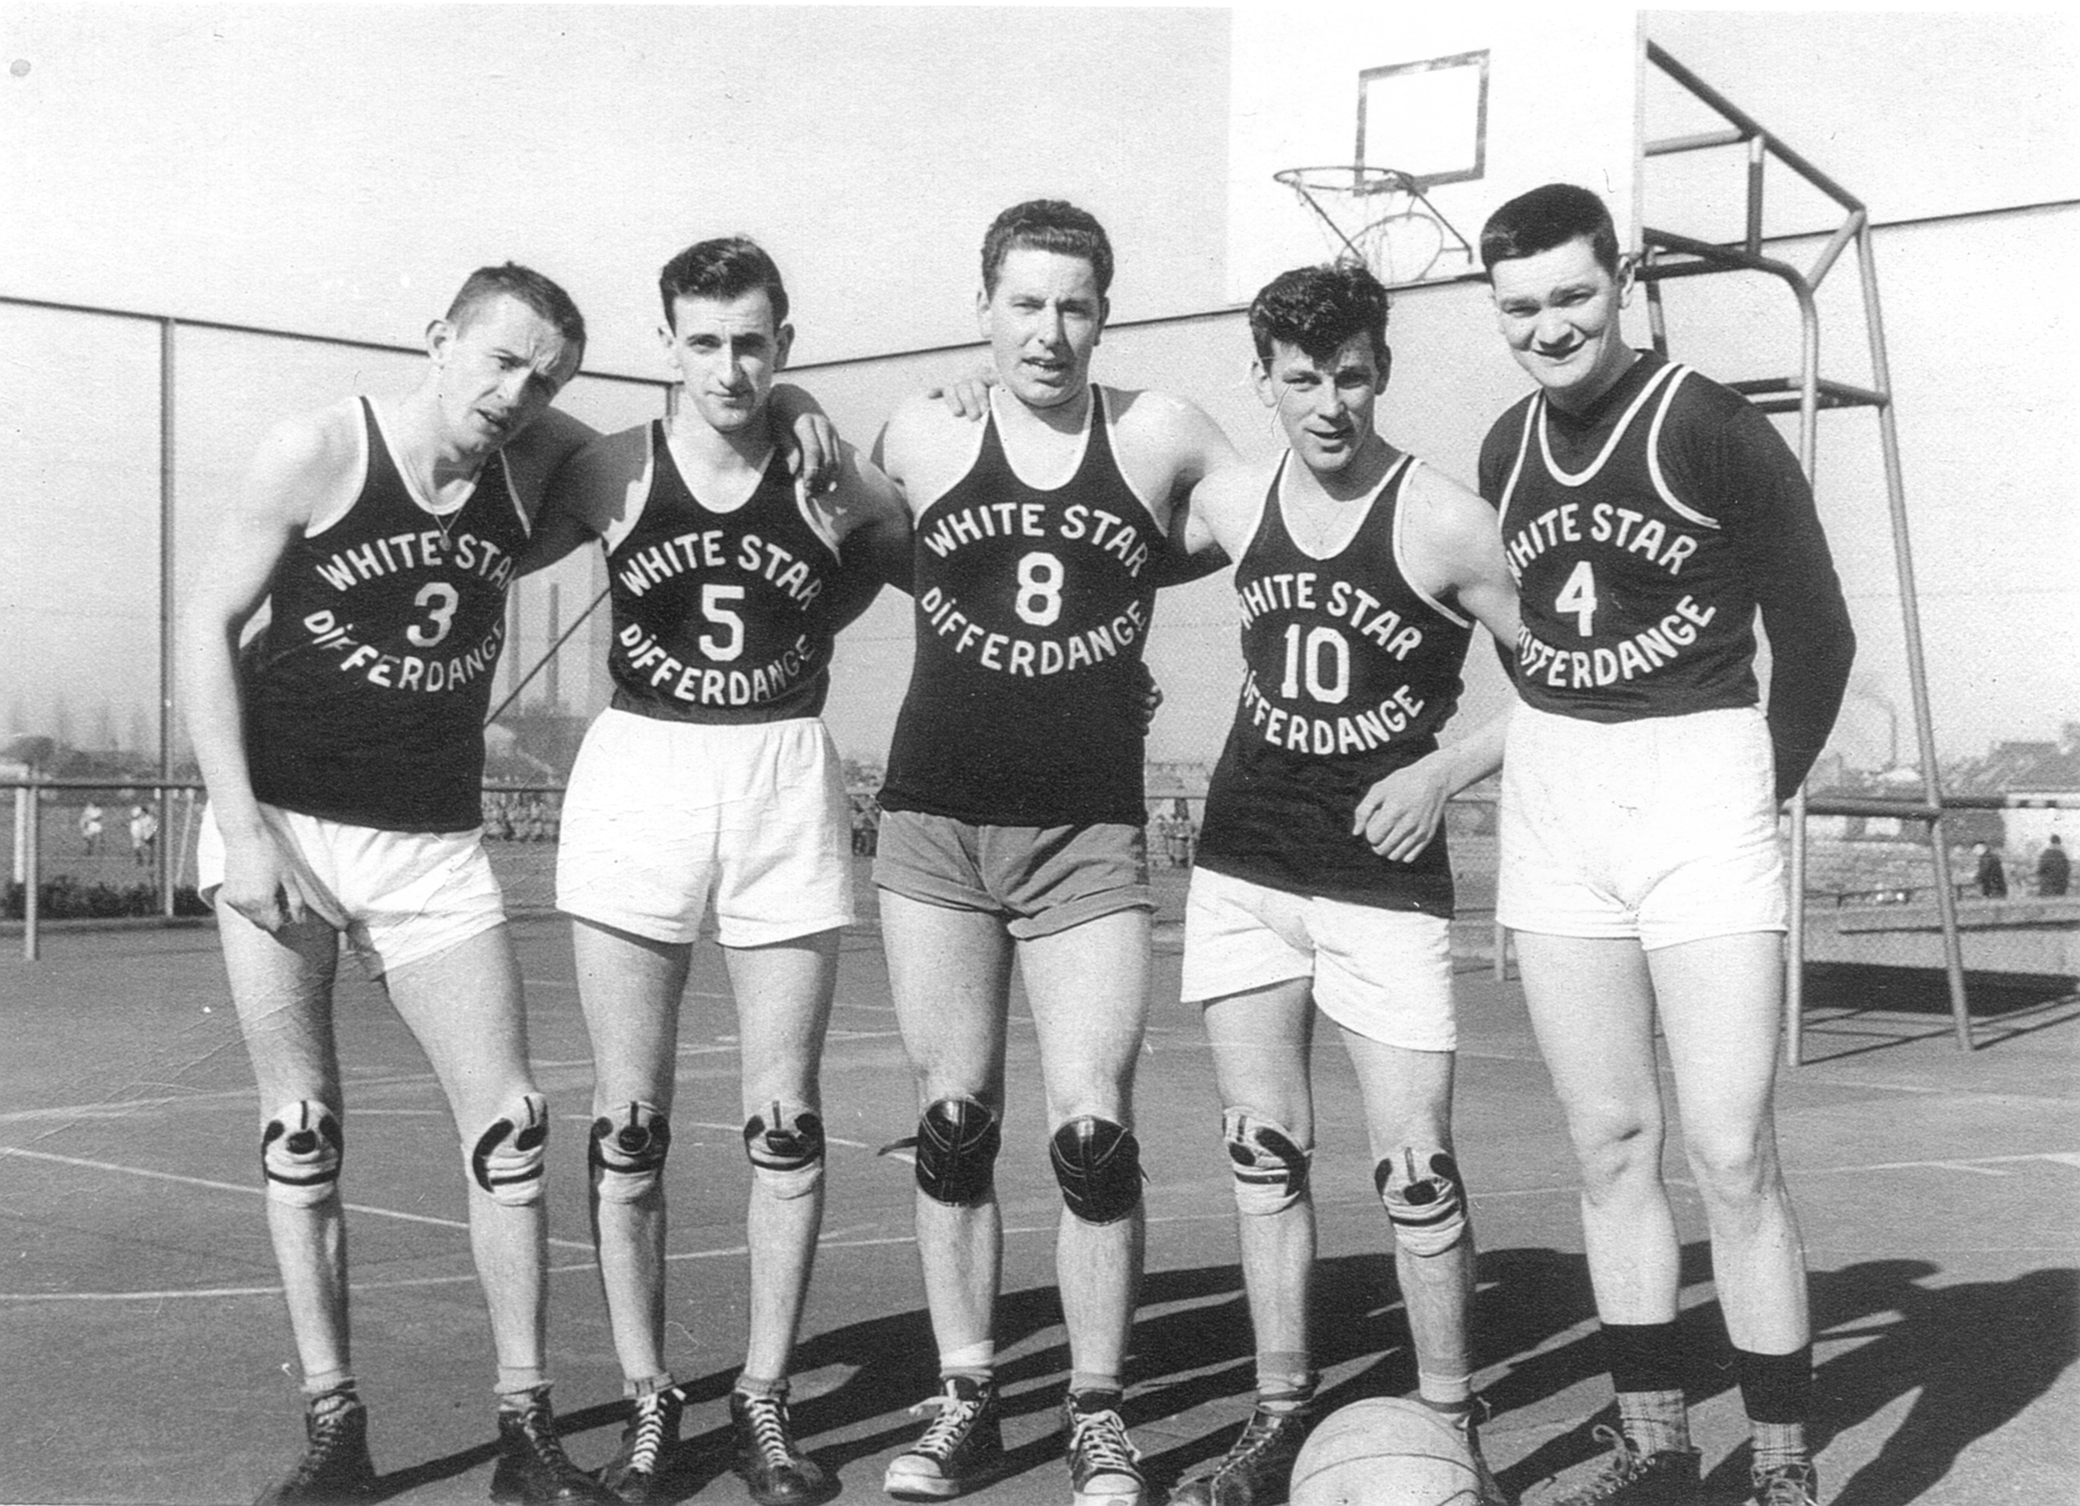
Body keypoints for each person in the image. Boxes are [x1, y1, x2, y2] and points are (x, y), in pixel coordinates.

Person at [179, 263, 616, 1506]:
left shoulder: (529, 471)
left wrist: (788, 410)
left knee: (512, 1126)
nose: (517, 392)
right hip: (286, 825)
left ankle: (527, 1432)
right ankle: (335, 1426)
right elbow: (205, 626)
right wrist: (241, 828)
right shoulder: (320, 450)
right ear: (438, 338)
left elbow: (653, 448)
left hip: (428, 845)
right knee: (301, 1127)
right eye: (500, 360)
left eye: (545, 379)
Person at [1477, 185, 1855, 1506]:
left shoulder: (1710, 426)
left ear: (1623, 282)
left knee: (1731, 1149)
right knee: (1608, 1142)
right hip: (1562, 798)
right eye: (1521, 307)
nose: (1549, 327)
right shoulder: (1503, 447)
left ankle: (1784, 1461)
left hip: (1700, 785)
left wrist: (1753, 788)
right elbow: (1525, 641)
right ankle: (1656, 1442)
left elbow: (1819, 635)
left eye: (1573, 296)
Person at [530, 236, 910, 1506]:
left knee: (783, 1113)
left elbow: (914, 551)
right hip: (641, 769)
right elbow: (492, 520)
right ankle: (649, 1397)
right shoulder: (611, 468)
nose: (731, 368)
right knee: (628, 1117)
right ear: (668, 346)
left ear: (783, 344)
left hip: (782, 769)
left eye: (754, 344)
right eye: (705, 342)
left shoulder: (826, 470)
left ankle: (764, 1397)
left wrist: (821, 431)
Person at [870, 199, 1238, 1506]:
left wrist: (1117, 611)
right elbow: (837, 529)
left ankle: (1096, 1412)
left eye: (1074, 306)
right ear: (983, 308)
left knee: (1094, 1133)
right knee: (952, 1123)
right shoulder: (923, 431)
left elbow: (1273, 525)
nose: (1048, 330)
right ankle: (965, 1397)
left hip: (1086, 830)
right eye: (1024, 304)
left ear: (1104, 314)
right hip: (934, 821)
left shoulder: (1159, 432)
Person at [1166, 261, 1518, 1506]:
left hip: (1383, 881)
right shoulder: (1230, 498)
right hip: (1245, 864)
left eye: (1353, 377)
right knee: (1263, 1152)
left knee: (1413, 1168)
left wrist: (1444, 769)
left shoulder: (1447, 519)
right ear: (1262, 380)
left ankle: (1451, 1422)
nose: (1330, 404)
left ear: (1382, 372)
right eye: (1303, 378)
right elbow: (1086, 540)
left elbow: (1568, 677)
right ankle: (1277, 1414)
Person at [129, 802, 160, 867]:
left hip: (149, 835)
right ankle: (141, 861)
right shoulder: (139, 820)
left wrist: (153, 831)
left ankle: (150, 861)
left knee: (149, 848)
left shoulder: (148, 818)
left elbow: (154, 825)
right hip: (143, 835)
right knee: (141, 848)